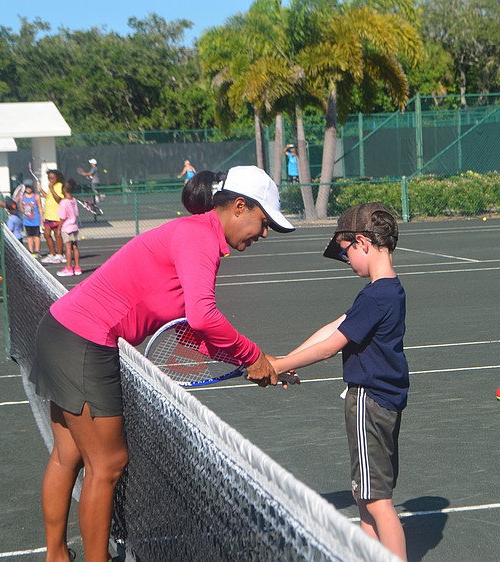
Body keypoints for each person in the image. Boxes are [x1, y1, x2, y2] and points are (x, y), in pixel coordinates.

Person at [29, 165, 295, 562]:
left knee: (68, 455)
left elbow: (187, 331)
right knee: (108, 464)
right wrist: (250, 355)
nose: (265, 232)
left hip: (61, 329)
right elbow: (204, 317)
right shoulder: (198, 238)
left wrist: (250, 360)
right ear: (240, 207)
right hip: (83, 341)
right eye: (263, 220)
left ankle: (56, 556)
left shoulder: (195, 236)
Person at [270, 202, 408, 561]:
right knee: (365, 497)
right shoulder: (387, 291)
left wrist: (279, 365)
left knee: (376, 501)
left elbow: (330, 347)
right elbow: (335, 326)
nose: (346, 260)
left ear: (362, 242)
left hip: (368, 402)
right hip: (381, 402)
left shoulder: (376, 296)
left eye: (346, 252)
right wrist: (283, 361)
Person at [56, 180, 81, 277]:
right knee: (75, 247)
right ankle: (77, 267)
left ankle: (69, 268)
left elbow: (62, 217)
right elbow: (76, 213)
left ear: (64, 189)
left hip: (67, 227)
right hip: (74, 226)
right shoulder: (74, 200)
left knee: (68, 248)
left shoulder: (63, 202)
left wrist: (59, 228)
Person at [41, 169, 66, 264]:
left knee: (57, 234)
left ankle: (60, 254)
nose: (50, 180)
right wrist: (41, 190)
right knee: (46, 235)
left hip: (56, 216)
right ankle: (53, 254)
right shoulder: (51, 186)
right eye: (49, 178)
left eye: (52, 178)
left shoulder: (59, 186)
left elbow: (59, 199)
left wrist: (51, 189)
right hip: (48, 215)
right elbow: (49, 197)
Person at [21, 179, 43, 257]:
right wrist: (24, 211)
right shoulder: (22, 197)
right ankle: (31, 250)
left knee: (36, 236)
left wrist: (41, 220)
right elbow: (21, 207)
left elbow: (40, 208)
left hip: (35, 220)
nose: (28, 189)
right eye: (26, 187)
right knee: (29, 236)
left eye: (29, 187)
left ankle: (37, 250)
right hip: (27, 220)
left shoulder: (36, 197)